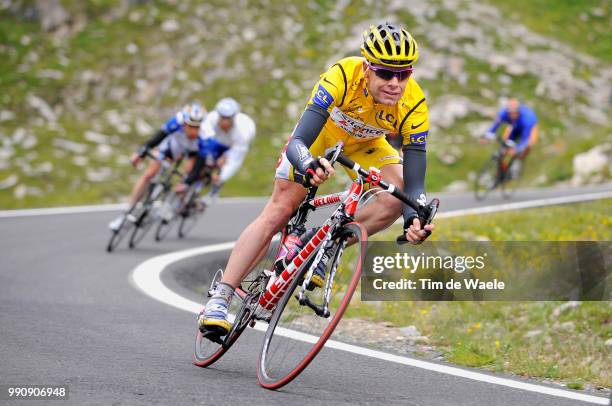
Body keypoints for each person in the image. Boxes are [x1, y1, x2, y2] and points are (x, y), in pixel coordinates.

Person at [199, 23, 435, 335]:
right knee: (280, 209)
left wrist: (412, 219)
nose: (395, 83)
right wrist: (308, 164)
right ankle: (221, 297)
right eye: (385, 73)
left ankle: (320, 245)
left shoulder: (414, 103)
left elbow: (415, 183)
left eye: (403, 74)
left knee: (396, 195)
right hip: (318, 139)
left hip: (367, 145)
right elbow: (300, 138)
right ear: (367, 68)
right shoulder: (341, 75)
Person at [108, 103, 205, 231]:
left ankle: (174, 205)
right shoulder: (176, 121)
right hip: (173, 146)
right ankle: (125, 213)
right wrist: (140, 153)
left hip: (193, 151)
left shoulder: (205, 135)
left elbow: (199, 164)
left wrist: (187, 182)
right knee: (149, 173)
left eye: (197, 127)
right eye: (190, 126)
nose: (193, 130)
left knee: (188, 174)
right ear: (184, 123)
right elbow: (157, 138)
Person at [179, 98, 255, 204]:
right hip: (216, 140)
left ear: (234, 118)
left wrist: (222, 176)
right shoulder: (211, 119)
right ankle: (190, 183)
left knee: (222, 166)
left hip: (233, 146)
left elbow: (235, 160)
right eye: (222, 117)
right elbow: (203, 142)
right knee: (202, 157)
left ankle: (213, 191)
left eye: (227, 119)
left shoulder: (243, 132)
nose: (224, 121)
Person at [482, 98, 538, 178]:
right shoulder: (503, 113)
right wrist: (487, 137)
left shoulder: (527, 118)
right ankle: (502, 172)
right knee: (504, 145)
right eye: (510, 113)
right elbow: (495, 126)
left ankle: (519, 161)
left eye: (514, 113)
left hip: (529, 128)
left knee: (529, 144)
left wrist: (517, 149)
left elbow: (525, 138)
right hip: (514, 127)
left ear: (519, 111)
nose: (512, 115)